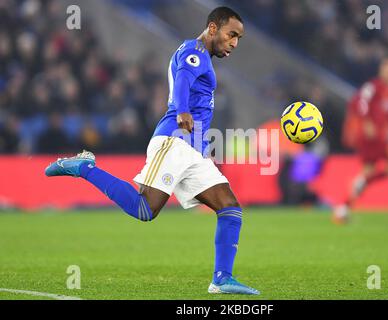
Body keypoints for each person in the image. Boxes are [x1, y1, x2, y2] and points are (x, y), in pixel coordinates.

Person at [45, 7, 259, 295]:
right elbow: (183, 78)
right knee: (144, 209)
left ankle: (221, 278)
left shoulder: (201, 56)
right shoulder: (194, 53)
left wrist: (202, 146)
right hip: (175, 140)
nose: (234, 42)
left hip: (192, 150)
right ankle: (84, 167)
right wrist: (182, 110)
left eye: (239, 38)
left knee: (230, 207)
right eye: (231, 34)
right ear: (212, 28)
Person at [335, 57, 388, 224]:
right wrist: (366, 120)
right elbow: (359, 101)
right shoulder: (374, 86)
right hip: (370, 136)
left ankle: (343, 209)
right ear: (382, 69)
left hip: (379, 137)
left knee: (370, 172)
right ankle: (360, 185)